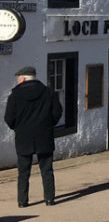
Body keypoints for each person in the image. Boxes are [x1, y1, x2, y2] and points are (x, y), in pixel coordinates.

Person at [4, 66, 62, 208]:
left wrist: (18, 128)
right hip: (45, 135)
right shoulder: (49, 92)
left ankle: (23, 202)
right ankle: (49, 199)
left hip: (24, 137)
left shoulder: (15, 95)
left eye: (18, 79)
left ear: (23, 78)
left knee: (23, 172)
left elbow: (9, 118)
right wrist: (48, 125)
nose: (18, 81)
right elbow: (57, 113)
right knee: (47, 169)